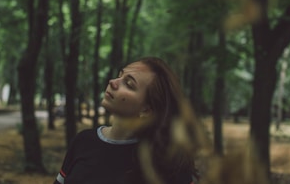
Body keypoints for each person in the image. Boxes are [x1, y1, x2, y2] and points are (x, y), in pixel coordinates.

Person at [54, 57, 196, 184]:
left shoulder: (166, 163)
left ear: (146, 110)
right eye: (119, 76)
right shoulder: (83, 141)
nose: (113, 82)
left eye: (128, 84)